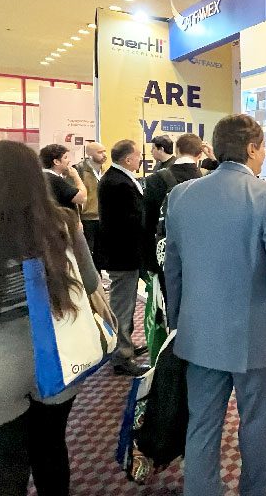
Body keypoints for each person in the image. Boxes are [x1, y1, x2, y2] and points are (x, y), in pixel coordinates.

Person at [0, 140, 102, 496]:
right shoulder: (61, 224)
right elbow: (91, 283)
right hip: (55, 357)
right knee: (51, 452)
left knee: (2, 479)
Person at [165, 114, 266, 496]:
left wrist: (177, 320)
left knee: (202, 423)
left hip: (198, 333)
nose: (264, 155)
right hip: (255, 335)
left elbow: (172, 268)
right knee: (256, 420)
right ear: (251, 148)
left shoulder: (181, 196)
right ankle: (256, 488)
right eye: (263, 148)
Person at [99, 139, 148, 376]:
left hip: (125, 252)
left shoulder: (118, 178)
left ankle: (126, 344)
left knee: (125, 303)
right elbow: (131, 219)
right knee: (122, 305)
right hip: (123, 253)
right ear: (128, 159)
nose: (140, 160)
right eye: (138, 156)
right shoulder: (117, 183)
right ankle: (121, 355)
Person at [143, 133, 203, 278]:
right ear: (200, 154)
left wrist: (150, 262)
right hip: (198, 253)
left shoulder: (154, 179)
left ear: (176, 150)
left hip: (165, 252)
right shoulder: (206, 179)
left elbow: (148, 223)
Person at [74, 142, 107, 272]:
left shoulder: (105, 170)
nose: (104, 155)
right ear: (89, 154)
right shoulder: (79, 170)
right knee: (87, 253)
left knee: (101, 253)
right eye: (100, 152)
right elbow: (74, 197)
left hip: (102, 217)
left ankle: (98, 277)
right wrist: (77, 218)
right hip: (86, 218)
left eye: (104, 151)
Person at [39, 144, 87, 212]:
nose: (69, 161)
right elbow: (82, 198)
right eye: (65, 158)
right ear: (56, 162)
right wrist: (76, 176)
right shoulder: (55, 180)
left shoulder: (41, 176)